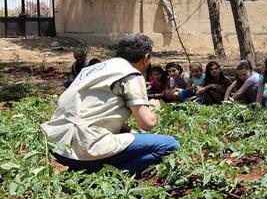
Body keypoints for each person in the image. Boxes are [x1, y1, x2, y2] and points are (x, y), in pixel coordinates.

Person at [41, 33, 180, 176]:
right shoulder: (130, 74)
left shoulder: (92, 70)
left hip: (58, 146)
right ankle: (103, 175)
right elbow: (147, 123)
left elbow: (94, 113)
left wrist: (131, 132)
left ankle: (84, 169)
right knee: (171, 145)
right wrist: (155, 109)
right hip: (87, 147)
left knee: (136, 139)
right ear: (146, 58)